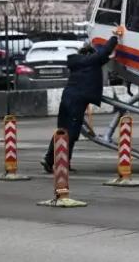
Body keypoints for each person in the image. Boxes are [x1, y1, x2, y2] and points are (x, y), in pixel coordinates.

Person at [41, 25, 125, 173]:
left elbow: (104, 57)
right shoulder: (91, 61)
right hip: (77, 101)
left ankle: (60, 162)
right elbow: (104, 53)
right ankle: (50, 160)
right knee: (71, 133)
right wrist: (115, 37)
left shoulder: (79, 62)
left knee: (63, 131)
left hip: (68, 98)